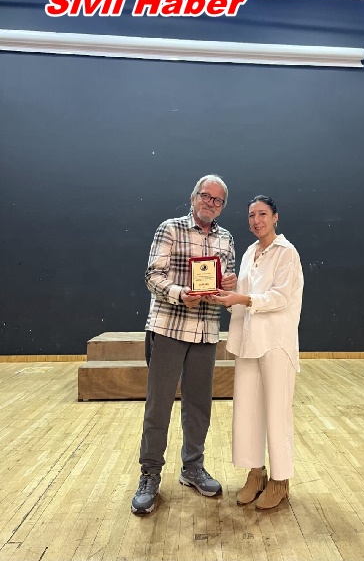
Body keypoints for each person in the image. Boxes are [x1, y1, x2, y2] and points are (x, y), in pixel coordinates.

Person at [131, 175, 236, 514]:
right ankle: (150, 474)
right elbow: (152, 276)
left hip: (206, 332)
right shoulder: (170, 228)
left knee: (199, 406)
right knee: (158, 406)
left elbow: (226, 286)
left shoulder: (226, 238)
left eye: (218, 200)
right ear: (193, 197)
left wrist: (229, 285)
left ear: (222, 206)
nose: (211, 203)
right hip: (168, 328)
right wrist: (180, 294)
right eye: (206, 196)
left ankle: (193, 467)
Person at [211, 195, 303, 510]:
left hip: (276, 341)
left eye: (262, 214)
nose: (256, 221)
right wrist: (228, 293)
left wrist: (242, 299)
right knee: (247, 410)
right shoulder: (250, 252)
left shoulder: (286, 252)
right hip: (248, 342)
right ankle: (255, 473)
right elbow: (244, 295)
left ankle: (280, 480)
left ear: (275, 217)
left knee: (277, 412)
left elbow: (280, 297)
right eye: (251, 215)